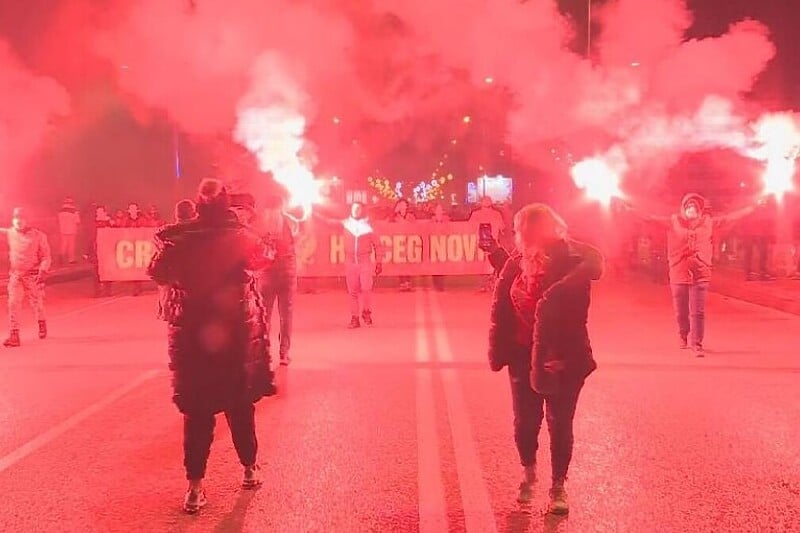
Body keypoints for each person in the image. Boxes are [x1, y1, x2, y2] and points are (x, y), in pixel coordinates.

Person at [147, 179, 276, 514]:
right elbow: (264, 259)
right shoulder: (240, 236)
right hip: (233, 337)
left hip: (194, 338)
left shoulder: (182, 239)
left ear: (199, 205)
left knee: (198, 414)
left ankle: (194, 488)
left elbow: (157, 272)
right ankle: (249, 469)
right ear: (225, 204)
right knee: (240, 406)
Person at [482, 203, 602, 515]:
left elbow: (575, 314)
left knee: (559, 423)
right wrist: (494, 252)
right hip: (522, 357)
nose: (519, 236)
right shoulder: (516, 261)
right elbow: (510, 301)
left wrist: (558, 355)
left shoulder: (571, 264)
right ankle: (529, 474)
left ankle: (558, 486)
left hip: (561, 357)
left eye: (522, 230)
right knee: (525, 423)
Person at [627, 193, 759, 355]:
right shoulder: (672, 221)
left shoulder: (708, 222)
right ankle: (683, 335)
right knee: (681, 310)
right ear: (683, 208)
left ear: (700, 209)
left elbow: (731, 217)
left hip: (700, 272)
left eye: (695, 207)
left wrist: (753, 208)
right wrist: (630, 209)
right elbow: (649, 218)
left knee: (698, 312)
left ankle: (697, 343)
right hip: (679, 272)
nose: (691, 210)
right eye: (688, 207)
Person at [255, 195, 298, 366]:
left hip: (267, 273)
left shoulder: (261, 224)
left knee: (264, 314)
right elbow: (297, 241)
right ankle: (284, 353)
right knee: (286, 315)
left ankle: (263, 351)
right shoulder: (289, 222)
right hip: (286, 272)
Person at [1, 208, 52, 347]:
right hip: (16, 275)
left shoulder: (38, 236)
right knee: (13, 303)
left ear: (27, 220)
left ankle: (41, 323)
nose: (18, 221)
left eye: (21, 218)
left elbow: (46, 256)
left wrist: (43, 270)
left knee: (37, 303)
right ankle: (14, 335)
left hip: (33, 275)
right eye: (16, 218)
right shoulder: (10, 233)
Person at [155, 199, 197, 322]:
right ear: (193, 213)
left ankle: (165, 311)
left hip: (172, 273)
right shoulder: (199, 231)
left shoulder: (164, 232)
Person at [343, 202, 383, 328]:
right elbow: (328, 221)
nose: (356, 210)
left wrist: (379, 261)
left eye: (358, 208)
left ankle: (366, 311)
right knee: (352, 292)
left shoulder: (368, 227)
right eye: (354, 208)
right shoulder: (346, 224)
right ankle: (355, 318)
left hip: (364, 260)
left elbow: (377, 244)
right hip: (350, 261)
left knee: (366, 288)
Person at [470, 196, 506, 292]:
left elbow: (502, 227)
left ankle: (492, 284)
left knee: (493, 264)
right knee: (481, 265)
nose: (487, 202)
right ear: (481, 203)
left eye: (488, 200)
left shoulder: (496, 214)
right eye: (485, 200)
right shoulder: (475, 214)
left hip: (493, 244)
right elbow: (469, 227)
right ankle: (483, 285)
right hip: (480, 244)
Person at [387, 198, 415, 291]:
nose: (402, 206)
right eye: (400, 204)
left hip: (408, 243)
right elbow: (387, 224)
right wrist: (394, 212)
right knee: (400, 264)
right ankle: (402, 283)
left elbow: (414, 227)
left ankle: (408, 283)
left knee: (408, 264)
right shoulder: (395, 217)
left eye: (404, 204)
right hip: (398, 243)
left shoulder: (410, 216)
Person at [430, 202, 450, 291]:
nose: (439, 211)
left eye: (440, 209)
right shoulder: (431, 221)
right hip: (433, 246)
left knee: (442, 266)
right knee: (434, 267)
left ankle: (441, 285)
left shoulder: (447, 220)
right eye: (437, 209)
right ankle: (436, 284)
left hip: (444, 245)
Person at [57, 197, 80, 265]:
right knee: (71, 245)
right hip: (72, 230)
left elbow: (58, 221)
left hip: (63, 230)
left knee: (63, 244)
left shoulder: (60, 211)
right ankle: (71, 259)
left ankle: (61, 257)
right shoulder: (74, 211)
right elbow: (77, 221)